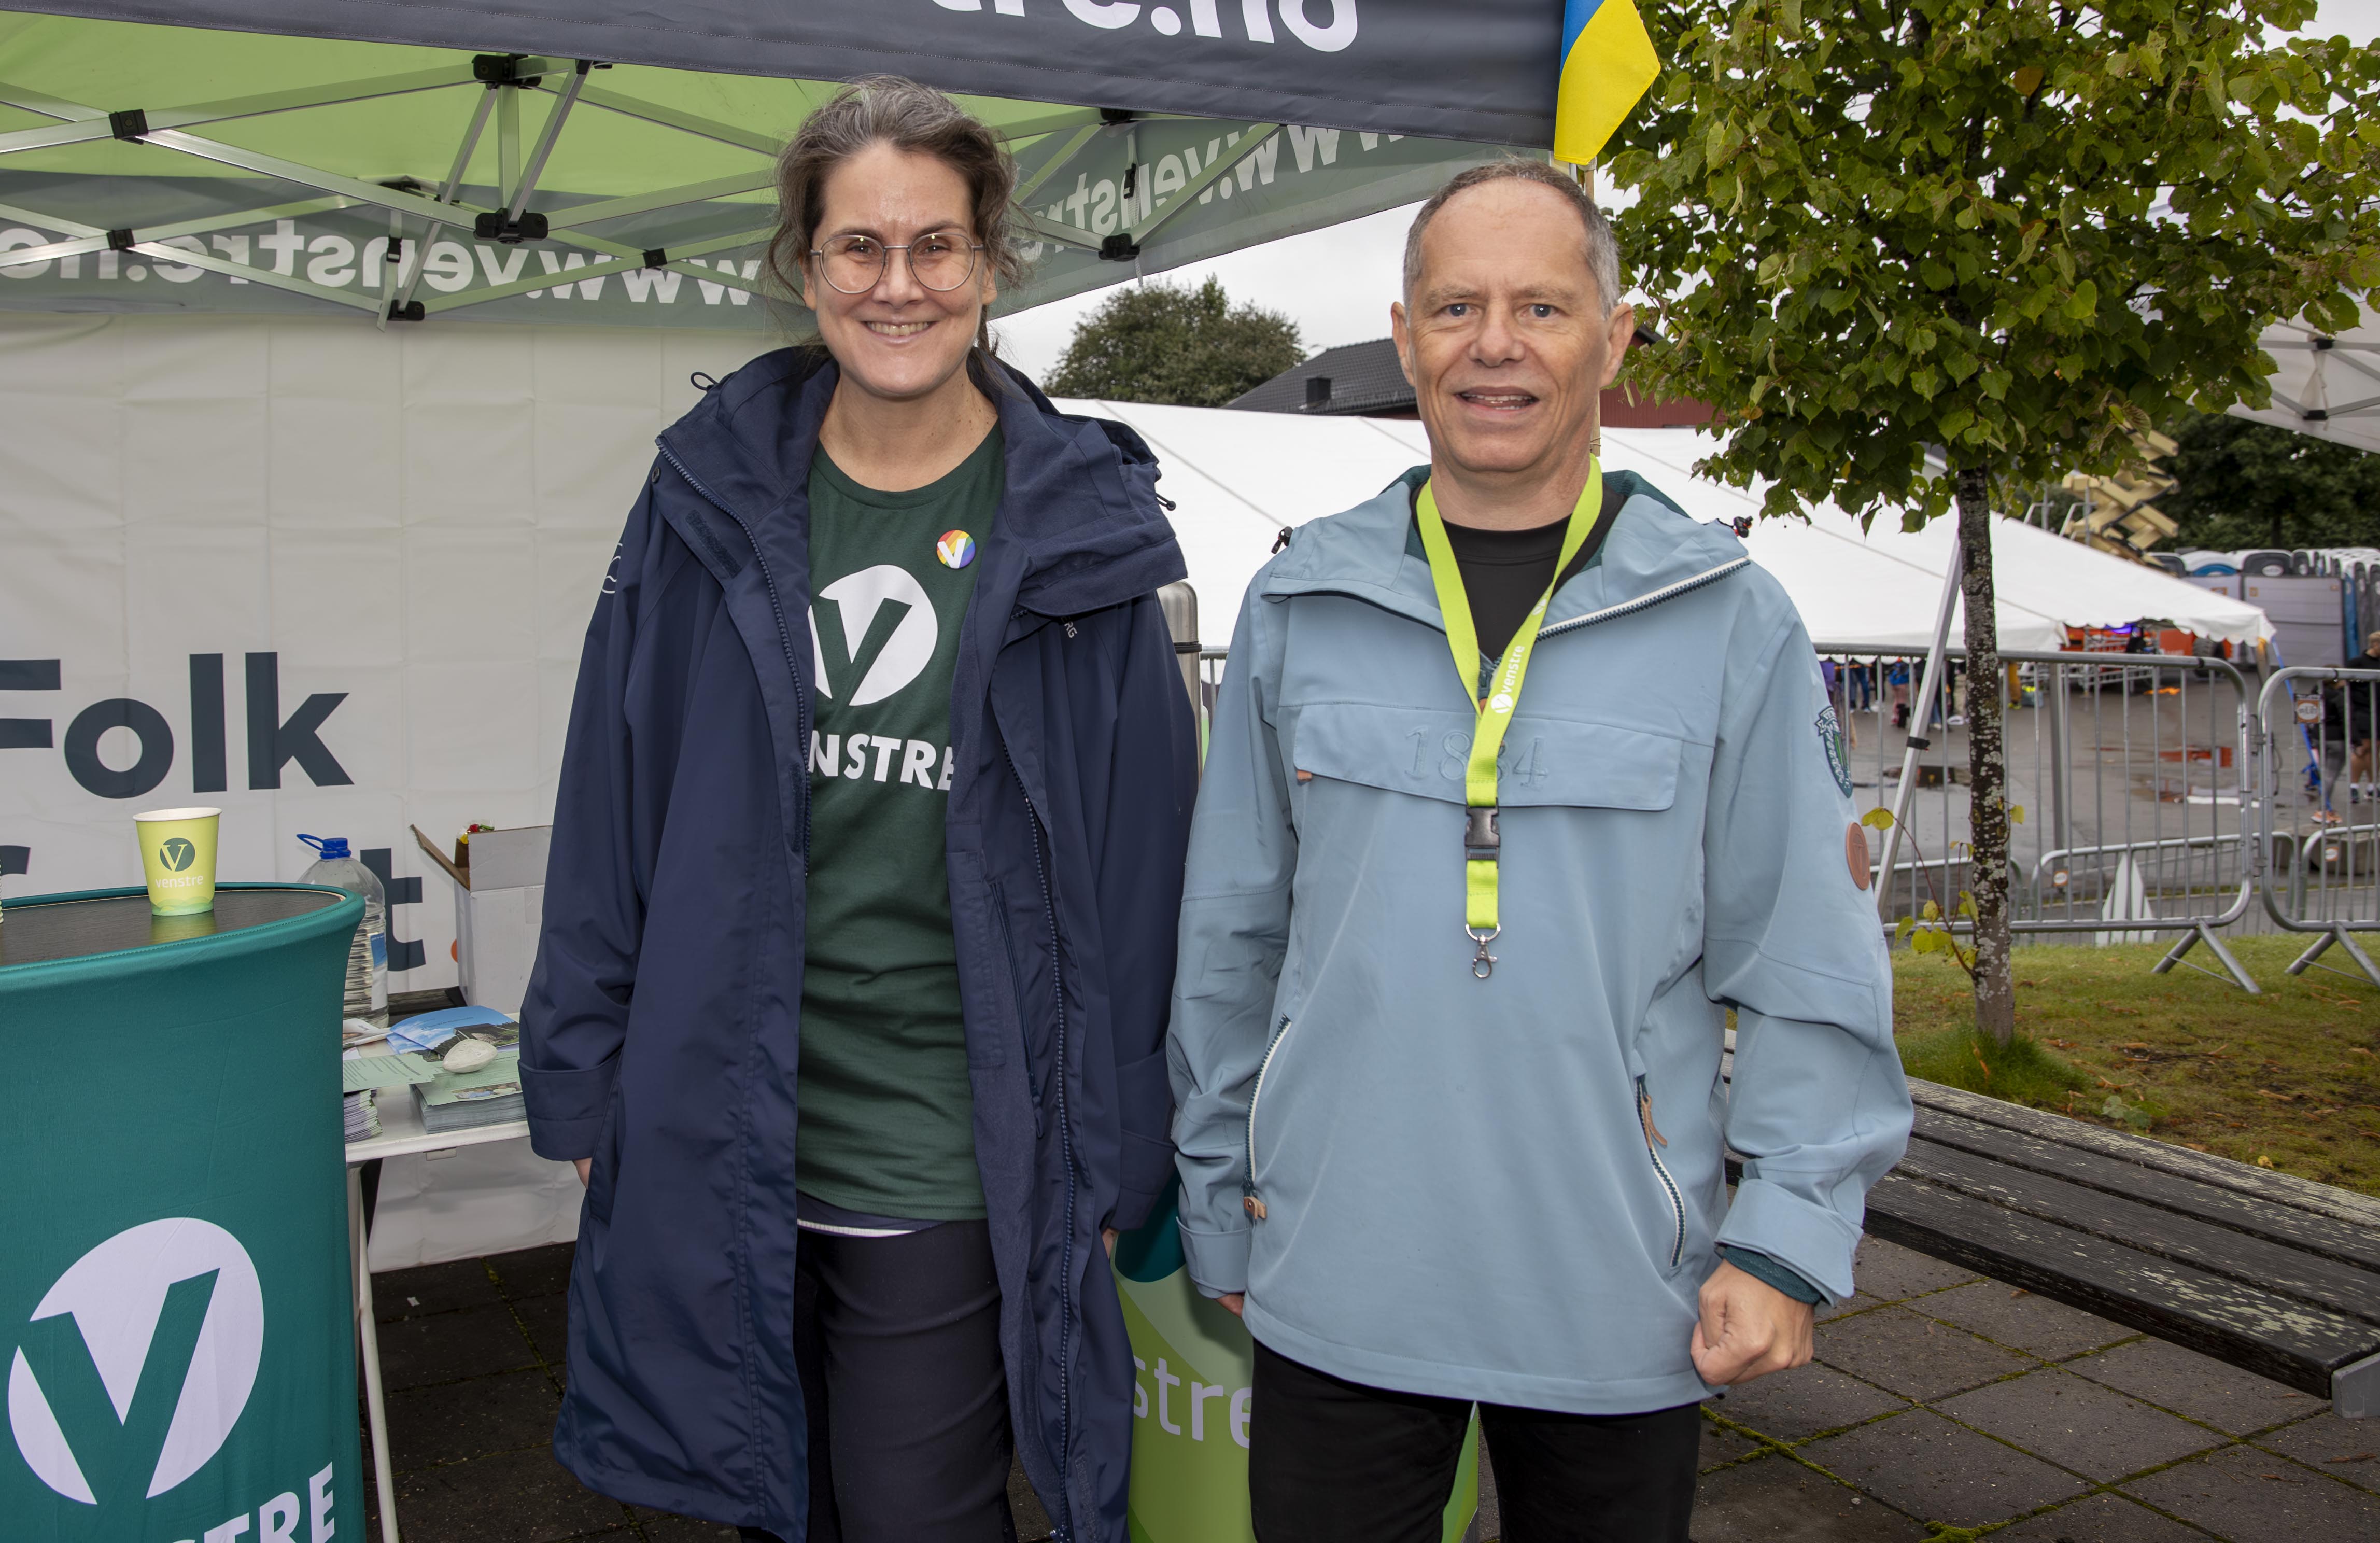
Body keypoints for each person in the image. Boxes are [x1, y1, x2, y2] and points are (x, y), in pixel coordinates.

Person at [1165, 159, 1910, 1543]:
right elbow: (1230, 933)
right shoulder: (1301, 601)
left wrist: (1788, 1238)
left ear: (1613, 341)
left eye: (1543, 308)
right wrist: (1220, 1196)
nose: (1494, 344)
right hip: (1336, 1268)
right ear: (1404, 340)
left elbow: (1808, 955)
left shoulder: (1730, 621)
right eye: (1455, 306)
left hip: (1616, 1287)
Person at [519, 77, 1197, 1543]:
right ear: (805, 265)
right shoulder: (705, 497)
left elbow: (1149, 869)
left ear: (994, 263)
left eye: (936, 247)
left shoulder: (1083, 535)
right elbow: (610, 792)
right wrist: (582, 1066)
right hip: (723, 1114)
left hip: (954, 1147)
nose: (900, 286)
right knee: (775, 1497)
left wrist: (1127, 1143)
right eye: (860, 249)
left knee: (914, 1513)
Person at [2326, 629, 2380, 803]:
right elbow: (2342, 686)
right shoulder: (2356, 663)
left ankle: (2373, 787)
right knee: (2362, 748)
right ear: (2376, 645)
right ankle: (2354, 787)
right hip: (2361, 712)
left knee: (2376, 749)